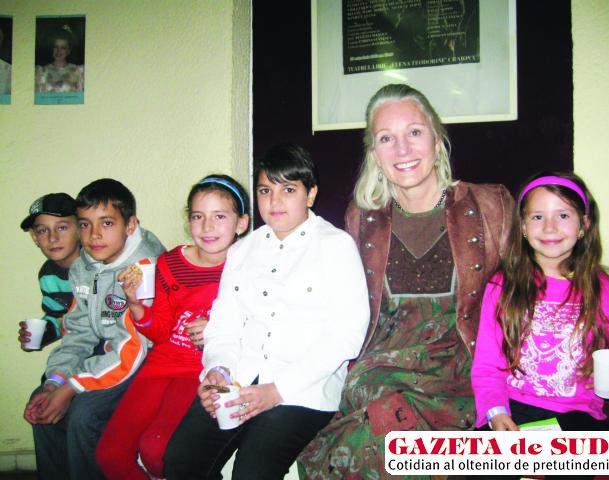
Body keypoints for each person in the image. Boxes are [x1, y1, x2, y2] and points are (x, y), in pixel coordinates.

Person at [298, 83, 514, 479]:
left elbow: (529, 292)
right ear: (374, 155)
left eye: (414, 132)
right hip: (380, 371)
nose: (402, 149)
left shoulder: (490, 205)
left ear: (437, 140)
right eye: (386, 138)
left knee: (358, 446)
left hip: (457, 373)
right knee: (371, 427)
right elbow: (332, 300)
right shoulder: (361, 218)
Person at [163, 144, 370, 480]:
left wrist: (277, 390)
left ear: (310, 194)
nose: (274, 201)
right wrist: (218, 371)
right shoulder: (243, 250)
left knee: (251, 474)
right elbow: (224, 326)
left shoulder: (336, 246)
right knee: (180, 461)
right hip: (240, 378)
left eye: (288, 190)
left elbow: (346, 336)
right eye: (265, 191)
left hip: (303, 390)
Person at [96, 175, 250, 479]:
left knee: (157, 452)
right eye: (198, 216)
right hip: (160, 366)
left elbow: (264, 328)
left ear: (241, 223)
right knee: (109, 455)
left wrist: (218, 328)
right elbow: (160, 331)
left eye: (219, 216)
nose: (207, 227)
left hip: (202, 371)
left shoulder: (249, 266)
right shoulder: (169, 264)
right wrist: (136, 305)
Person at [471, 172, 609, 431]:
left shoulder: (606, 291)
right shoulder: (502, 287)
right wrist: (496, 412)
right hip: (513, 408)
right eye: (537, 217)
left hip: (579, 414)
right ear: (523, 227)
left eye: (563, 215)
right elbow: (487, 366)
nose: (549, 227)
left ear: (584, 225)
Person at [23, 178, 165, 480]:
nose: (94, 235)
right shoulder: (84, 266)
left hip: (147, 361)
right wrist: (55, 381)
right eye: (85, 225)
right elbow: (78, 331)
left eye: (107, 223)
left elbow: (131, 350)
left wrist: (72, 387)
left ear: (130, 225)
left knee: (84, 415)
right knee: (42, 403)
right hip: (112, 354)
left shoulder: (143, 270)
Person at [18, 193, 80, 351]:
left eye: (62, 227)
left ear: (80, 229)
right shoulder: (48, 275)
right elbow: (58, 317)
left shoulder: (99, 266)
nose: (53, 238)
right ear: (34, 237)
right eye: (43, 230)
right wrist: (42, 335)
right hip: (80, 352)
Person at [35, 26, 84, 93]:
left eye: (63, 48)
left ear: (69, 51)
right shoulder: (41, 71)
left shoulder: (78, 71)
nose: (58, 51)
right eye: (55, 47)